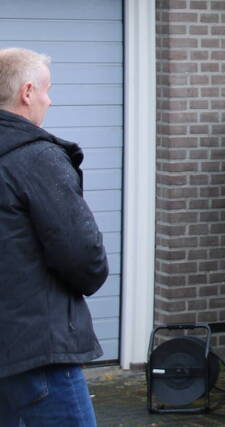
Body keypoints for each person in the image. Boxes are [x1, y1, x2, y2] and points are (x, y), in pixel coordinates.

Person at [0, 48, 109, 425]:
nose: (51, 99)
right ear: (27, 92)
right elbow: (83, 257)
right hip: (38, 355)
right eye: (47, 89)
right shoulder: (36, 158)